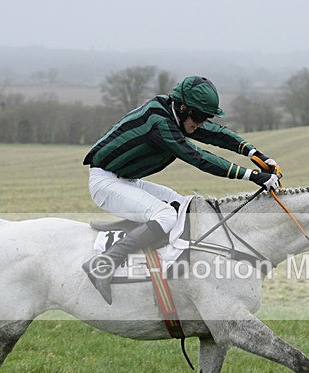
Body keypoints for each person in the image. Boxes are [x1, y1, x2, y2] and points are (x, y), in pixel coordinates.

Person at [81, 75, 281, 304]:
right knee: (166, 215)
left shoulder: (178, 115)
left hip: (126, 180)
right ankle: (103, 264)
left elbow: (218, 134)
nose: (201, 123)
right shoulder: (159, 121)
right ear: (183, 107)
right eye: (199, 117)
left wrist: (257, 156)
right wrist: (252, 176)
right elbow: (197, 157)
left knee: (182, 204)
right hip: (106, 183)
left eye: (206, 117)